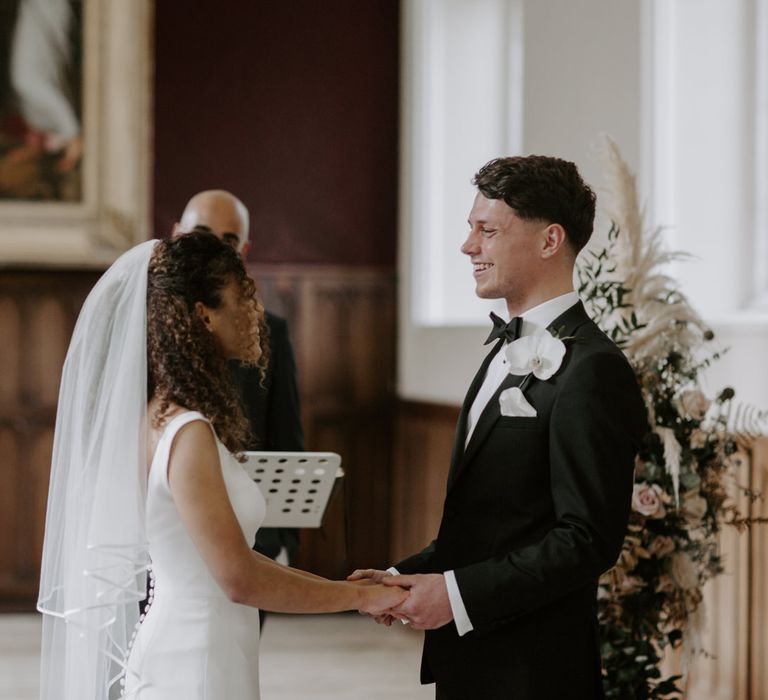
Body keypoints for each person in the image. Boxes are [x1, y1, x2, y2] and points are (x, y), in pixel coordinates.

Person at [37, 231, 406, 700]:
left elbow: (236, 558)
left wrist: (345, 585)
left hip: (204, 644)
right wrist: (360, 598)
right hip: (194, 662)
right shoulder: (186, 433)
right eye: (244, 296)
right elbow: (239, 579)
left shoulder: (163, 414)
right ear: (202, 315)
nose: (257, 313)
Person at [350, 156, 647, 699]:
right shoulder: (502, 353)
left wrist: (455, 596)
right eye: (470, 228)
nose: (468, 246)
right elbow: (492, 523)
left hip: (533, 673)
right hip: (473, 660)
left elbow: (586, 540)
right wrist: (402, 576)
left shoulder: (592, 369)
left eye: (487, 230)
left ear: (549, 240)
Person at [174, 190, 302, 570]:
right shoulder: (141, 328)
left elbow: (285, 436)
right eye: (200, 232)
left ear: (244, 249)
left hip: (251, 538)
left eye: (228, 240)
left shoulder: (268, 332)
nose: (213, 247)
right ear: (176, 233)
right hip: (166, 539)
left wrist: (283, 543)